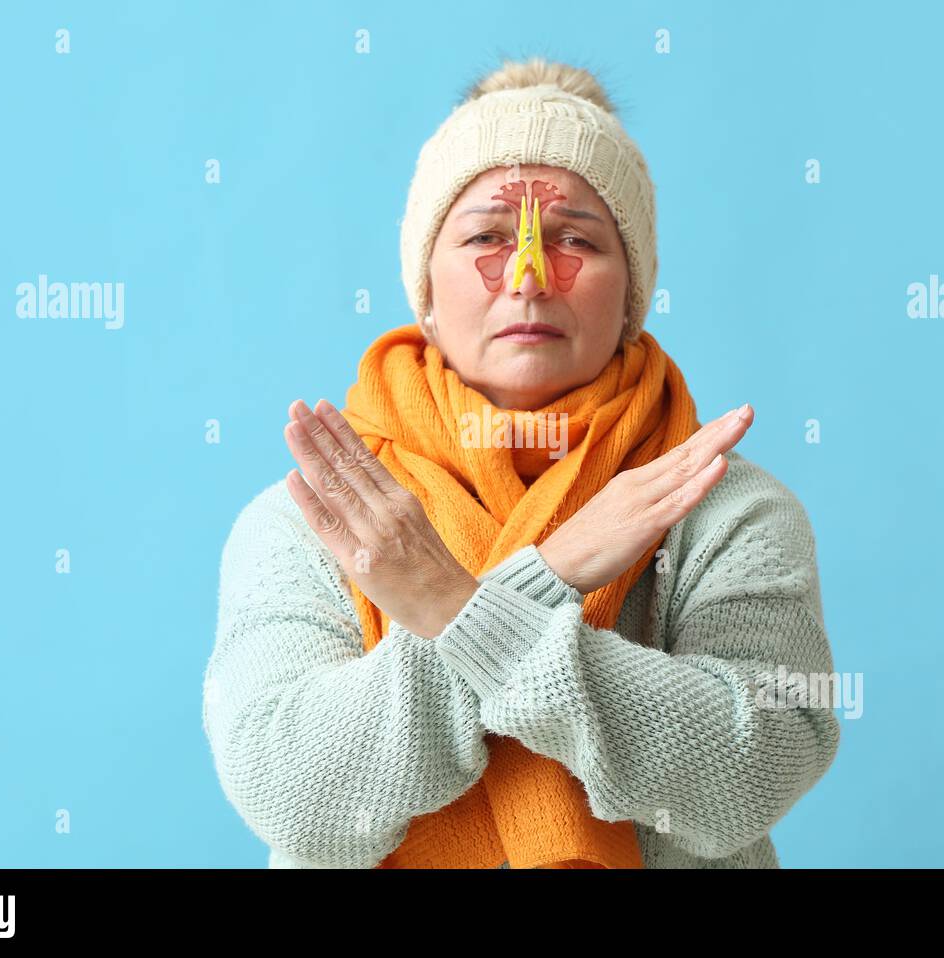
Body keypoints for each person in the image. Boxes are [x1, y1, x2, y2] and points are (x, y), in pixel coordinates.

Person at [202, 57, 840, 869]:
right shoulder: (319, 513)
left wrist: (455, 606)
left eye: (575, 239)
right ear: (425, 286)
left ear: (632, 288)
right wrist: (553, 572)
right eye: (486, 239)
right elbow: (290, 791)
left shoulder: (723, 505)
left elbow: (753, 768)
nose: (531, 279)